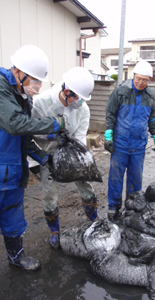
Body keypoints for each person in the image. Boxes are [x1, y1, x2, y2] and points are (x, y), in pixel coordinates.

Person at [0, 44, 65, 271]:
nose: (37, 87)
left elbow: (24, 137)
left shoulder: (22, 96)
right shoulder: (1, 88)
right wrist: (54, 124)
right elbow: (15, 124)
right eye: (33, 80)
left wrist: (42, 157)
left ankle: (16, 257)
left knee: (13, 220)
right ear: (18, 71)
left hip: (13, 173)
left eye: (40, 81)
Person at [31, 67, 98, 250]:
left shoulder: (82, 109)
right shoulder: (41, 103)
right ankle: (54, 230)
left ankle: (93, 218)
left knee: (85, 182)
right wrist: (49, 136)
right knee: (49, 192)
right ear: (67, 92)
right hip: (47, 152)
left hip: (70, 149)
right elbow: (31, 132)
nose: (81, 103)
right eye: (78, 98)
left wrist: (81, 157)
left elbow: (80, 136)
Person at [104, 60, 155, 220]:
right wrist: (108, 133)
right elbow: (111, 114)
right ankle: (114, 206)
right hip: (120, 144)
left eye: (145, 80)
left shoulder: (150, 95)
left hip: (139, 144)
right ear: (133, 76)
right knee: (116, 176)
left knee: (136, 177)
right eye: (139, 78)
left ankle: (132, 205)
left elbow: (151, 118)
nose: (141, 82)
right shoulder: (120, 92)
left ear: (149, 80)